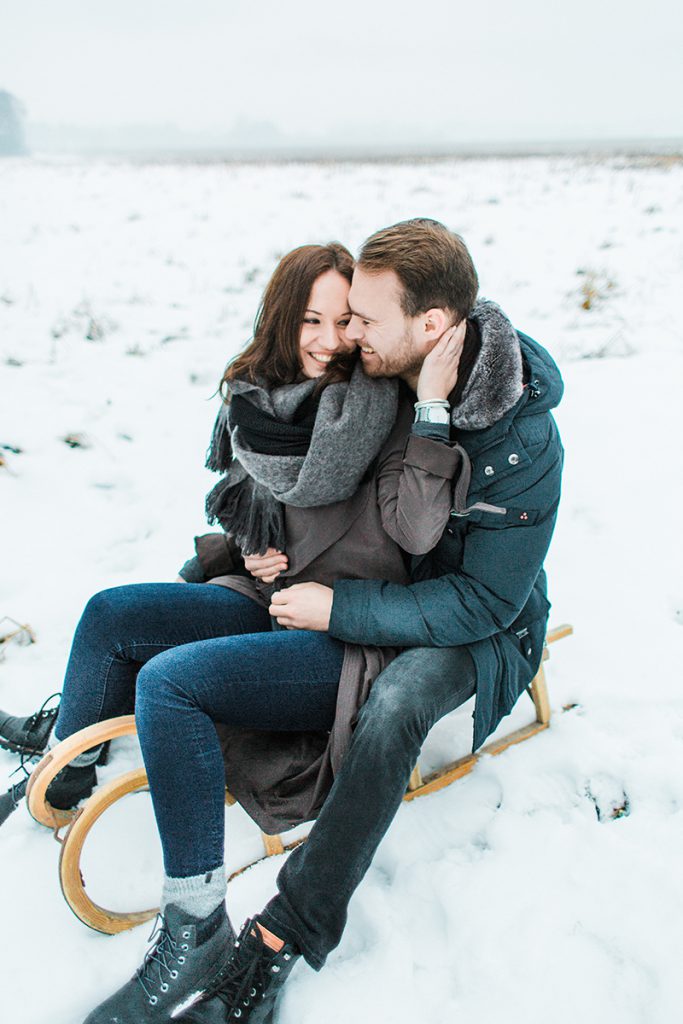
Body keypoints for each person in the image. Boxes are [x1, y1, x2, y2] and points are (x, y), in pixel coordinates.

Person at [0, 241, 467, 1018]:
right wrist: (252, 544)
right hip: (273, 599)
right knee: (110, 615)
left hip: (349, 634)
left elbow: (416, 531)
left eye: (344, 320)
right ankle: (65, 770)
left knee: (169, 683)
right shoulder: (265, 403)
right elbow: (246, 500)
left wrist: (429, 414)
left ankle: (196, 925)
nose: (328, 339)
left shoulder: (380, 405)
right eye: (310, 319)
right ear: (283, 320)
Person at [145, 218, 563, 1024]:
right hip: (379, 585)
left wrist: (339, 608)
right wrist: (248, 544)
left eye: (363, 318)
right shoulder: (386, 376)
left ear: (430, 325)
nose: (347, 334)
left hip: (479, 619)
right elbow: (308, 480)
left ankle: (285, 934)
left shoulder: (521, 436)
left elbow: (485, 600)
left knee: (396, 701)